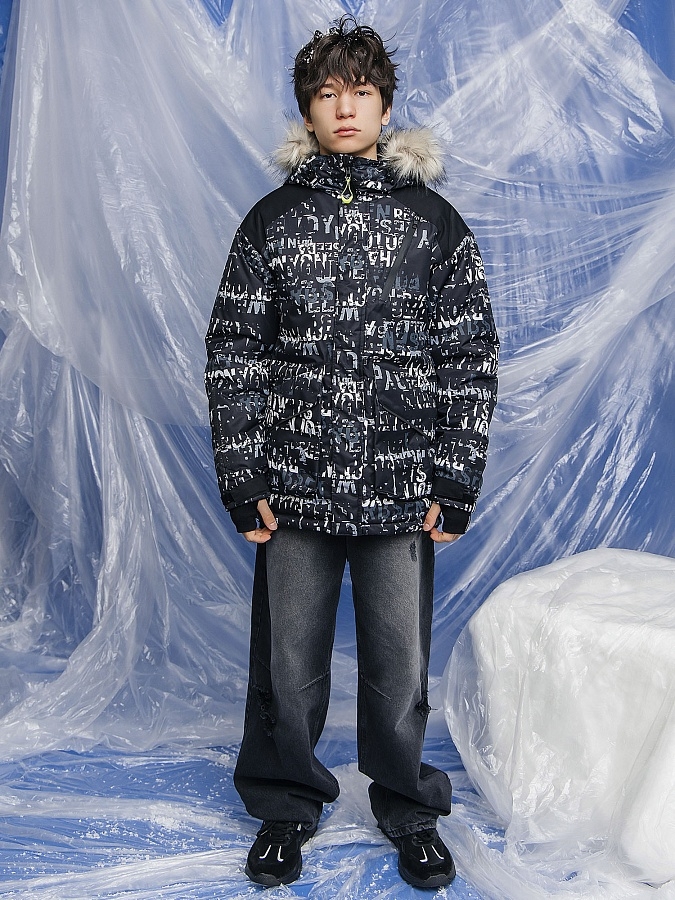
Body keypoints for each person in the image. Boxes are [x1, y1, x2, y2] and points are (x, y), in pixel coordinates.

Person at [205, 15, 499, 890]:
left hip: (400, 487)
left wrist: (454, 479)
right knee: (287, 668)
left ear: (384, 106)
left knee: (398, 670)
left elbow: (468, 353)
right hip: (294, 488)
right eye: (326, 93)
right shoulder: (272, 221)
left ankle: (408, 811)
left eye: (360, 92)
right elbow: (233, 351)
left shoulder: (432, 223)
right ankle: (285, 806)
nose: (344, 108)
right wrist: (243, 477)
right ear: (307, 109)